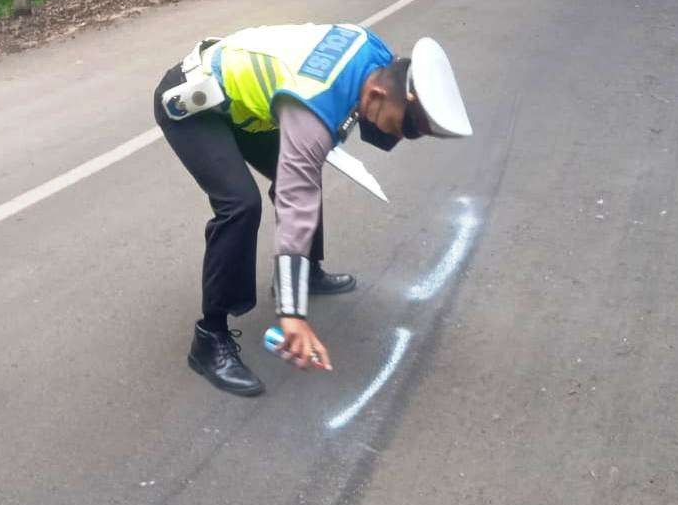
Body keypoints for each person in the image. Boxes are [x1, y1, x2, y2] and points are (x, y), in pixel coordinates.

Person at [153, 24, 472, 396]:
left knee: (308, 169)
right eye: (407, 127)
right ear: (377, 94)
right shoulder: (313, 109)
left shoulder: (377, 56)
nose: (401, 137)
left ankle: (307, 272)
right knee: (240, 205)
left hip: (248, 106)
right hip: (194, 106)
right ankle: (210, 339)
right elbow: (295, 197)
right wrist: (292, 315)